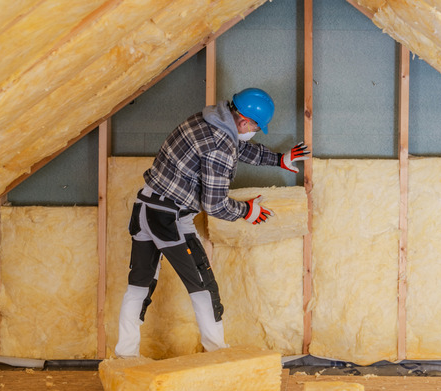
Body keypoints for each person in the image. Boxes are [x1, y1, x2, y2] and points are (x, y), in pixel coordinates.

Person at [115, 87, 310, 357]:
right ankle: (217, 352)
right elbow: (215, 204)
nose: (255, 131)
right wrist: (247, 211)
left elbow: (239, 147)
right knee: (203, 286)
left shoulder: (208, 120)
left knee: (139, 284)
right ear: (245, 122)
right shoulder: (220, 146)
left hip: (146, 206)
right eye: (256, 127)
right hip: (169, 217)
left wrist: (278, 159)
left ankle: (125, 355)